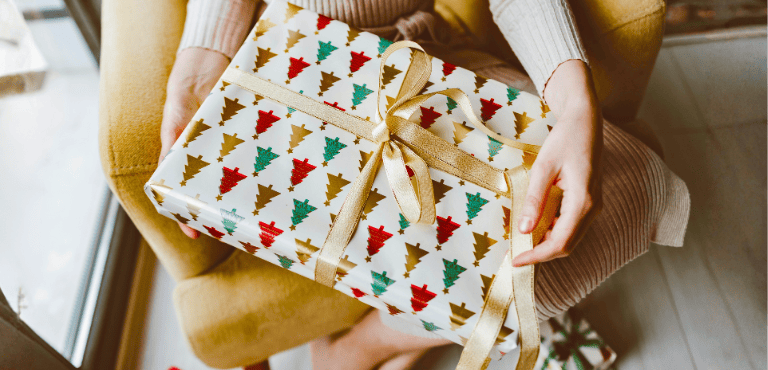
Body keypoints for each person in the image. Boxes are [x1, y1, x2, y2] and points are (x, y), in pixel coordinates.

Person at [157, 0, 690, 369]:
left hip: (427, 60)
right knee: (482, 271)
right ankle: (388, 342)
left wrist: (574, 103)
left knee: (635, 180)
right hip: (293, 73)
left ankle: (362, 348)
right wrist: (196, 71)